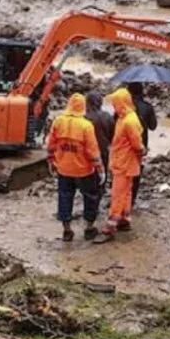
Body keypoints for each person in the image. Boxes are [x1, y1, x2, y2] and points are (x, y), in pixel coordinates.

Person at [48, 94, 104, 242]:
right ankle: (89, 228)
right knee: (90, 197)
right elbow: (93, 151)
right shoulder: (86, 126)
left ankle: (67, 230)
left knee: (65, 197)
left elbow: (51, 145)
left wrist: (51, 161)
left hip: (64, 169)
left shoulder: (58, 122)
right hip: (84, 170)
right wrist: (100, 169)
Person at [98, 88, 145, 241]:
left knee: (118, 194)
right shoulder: (124, 118)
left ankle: (111, 225)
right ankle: (124, 219)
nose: (114, 107)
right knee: (126, 192)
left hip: (124, 162)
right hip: (123, 161)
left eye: (115, 104)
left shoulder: (129, 120)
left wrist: (140, 153)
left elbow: (137, 145)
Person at [126, 83, 157, 205]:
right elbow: (153, 126)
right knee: (136, 170)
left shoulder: (123, 107)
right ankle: (132, 198)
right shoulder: (147, 107)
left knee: (123, 171)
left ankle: (123, 196)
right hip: (141, 144)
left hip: (124, 144)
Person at [85, 91, 114, 169]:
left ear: (87, 103)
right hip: (103, 149)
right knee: (103, 173)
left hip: (87, 151)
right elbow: (112, 136)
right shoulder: (107, 116)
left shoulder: (84, 118)